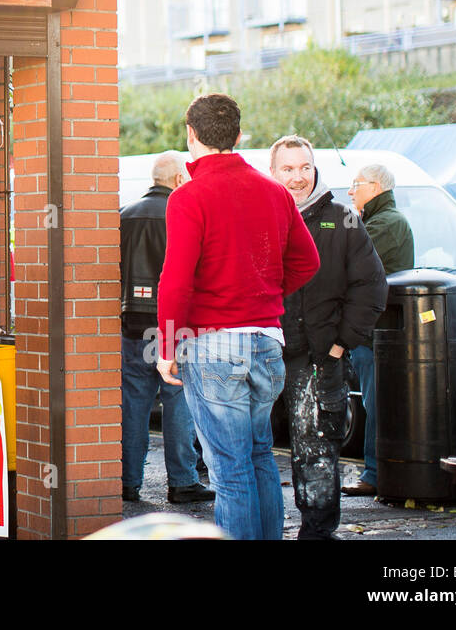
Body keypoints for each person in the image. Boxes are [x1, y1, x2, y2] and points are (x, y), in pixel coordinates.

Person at [156, 93, 320, 541]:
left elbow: (175, 282)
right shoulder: (274, 192)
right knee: (260, 456)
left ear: (191, 135)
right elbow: (308, 261)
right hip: (268, 339)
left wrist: (167, 346)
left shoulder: (188, 197)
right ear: (239, 135)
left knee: (229, 471)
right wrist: (263, 293)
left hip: (214, 343)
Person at [270, 136, 387, 538]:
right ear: (273, 172)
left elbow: (371, 286)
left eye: (304, 167)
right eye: (288, 169)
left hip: (319, 359)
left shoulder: (342, 217)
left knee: (317, 452)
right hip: (262, 353)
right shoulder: (260, 216)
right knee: (252, 451)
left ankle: (317, 534)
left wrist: (341, 344)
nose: (298, 177)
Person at [120, 152, 214, 505]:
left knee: (133, 404)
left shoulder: (123, 217)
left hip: (131, 327)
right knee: (178, 402)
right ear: (177, 180)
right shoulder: (182, 215)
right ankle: (183, 482)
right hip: (174, 328)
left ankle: (128, 481)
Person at [344, 162, 415, 497]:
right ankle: (380, 472)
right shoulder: (379, 220)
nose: (350, 190)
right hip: (374, 331)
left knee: (376, 405)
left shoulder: (385, 223)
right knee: (377, 404)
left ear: (375, 186)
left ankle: (375, 473)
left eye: (355, 183)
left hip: (376, 333)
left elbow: (353, 269)